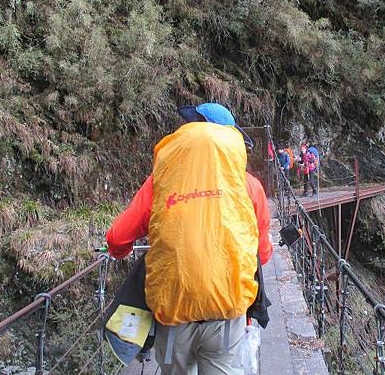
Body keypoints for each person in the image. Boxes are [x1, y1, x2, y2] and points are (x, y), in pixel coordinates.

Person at [106, 103, 272, 375]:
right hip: (226, 309)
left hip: (174, 305)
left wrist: (119, 250)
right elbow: (262, 255)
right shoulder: (248, 186)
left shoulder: (162, 180)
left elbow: (118, 236)